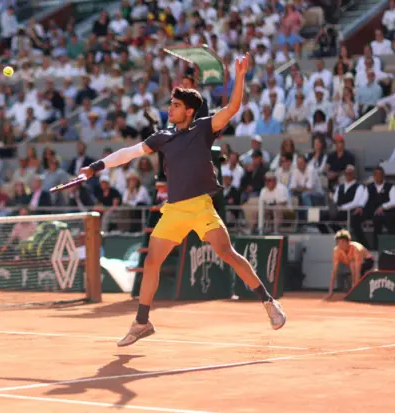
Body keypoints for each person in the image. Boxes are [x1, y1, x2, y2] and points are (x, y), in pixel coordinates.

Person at [80, 53, 286, 347]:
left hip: (201, 206)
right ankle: (142, 322)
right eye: (171, 104)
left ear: (189, 111)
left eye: (176, 106)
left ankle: (268, 303)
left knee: (228, 253)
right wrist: (96, 166)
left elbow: (233, 108)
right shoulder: (162, 136)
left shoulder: (203, 129)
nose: (170, 109)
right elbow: (129, 152)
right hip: (175, 210)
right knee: (151, 262)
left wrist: (240, 75)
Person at [327, 230, 375, 299]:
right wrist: (330, 292)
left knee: (353, 266)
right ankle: (354, 288)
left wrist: (354, 291)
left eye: (343, 242)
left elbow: (357, 271)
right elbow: (334, 271)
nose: (341, 244)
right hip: (352, 264)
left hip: (368, 261)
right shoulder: (336, 250)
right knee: (352, 266)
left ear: (348, 242)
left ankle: (355, 290)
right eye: (338, 242)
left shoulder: (356, 249)